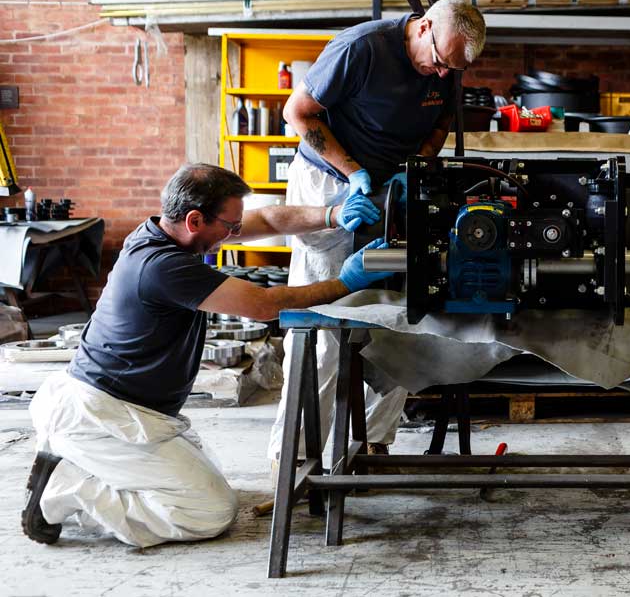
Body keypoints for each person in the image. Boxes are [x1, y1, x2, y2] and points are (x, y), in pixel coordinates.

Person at [22, 163, 393, 547]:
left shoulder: (169, 232)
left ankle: (81, 468)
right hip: (103, 417)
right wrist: (344, 281)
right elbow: (264, 304)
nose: (235, 233)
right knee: (209, 512)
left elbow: (266, 219)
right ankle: (67, 487)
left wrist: (332, 214)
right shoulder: (163, 266)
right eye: (230, 227)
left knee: (203, 486)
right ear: (195, 219)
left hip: (128, 409)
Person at [270, 0, 486, 462]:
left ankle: (373, 444)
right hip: (329, 183)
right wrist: (353, 173)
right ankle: (292, 462)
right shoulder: (362, 48)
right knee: (322, 324)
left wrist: (417, 167)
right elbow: (297, 113)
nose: (445, 75)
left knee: (396, 320)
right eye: (441, 63)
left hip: (393, 189)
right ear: (423, 27)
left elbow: (440, 124)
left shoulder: (445, 66)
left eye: (454, 69)